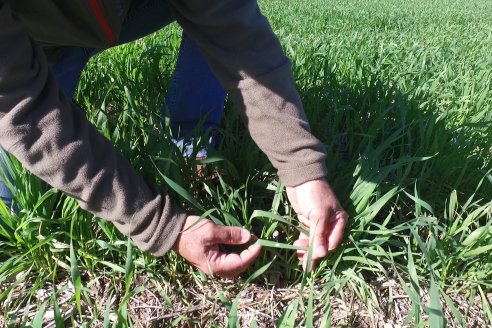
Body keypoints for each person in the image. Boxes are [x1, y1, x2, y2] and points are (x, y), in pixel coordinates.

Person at [0, 0, 348, 277]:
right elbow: (22, 110)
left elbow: (233, 29)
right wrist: (163, 226)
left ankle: (191, 142)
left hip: (119, 11)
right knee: (12, 204)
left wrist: (302, 168)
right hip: (29, 33)